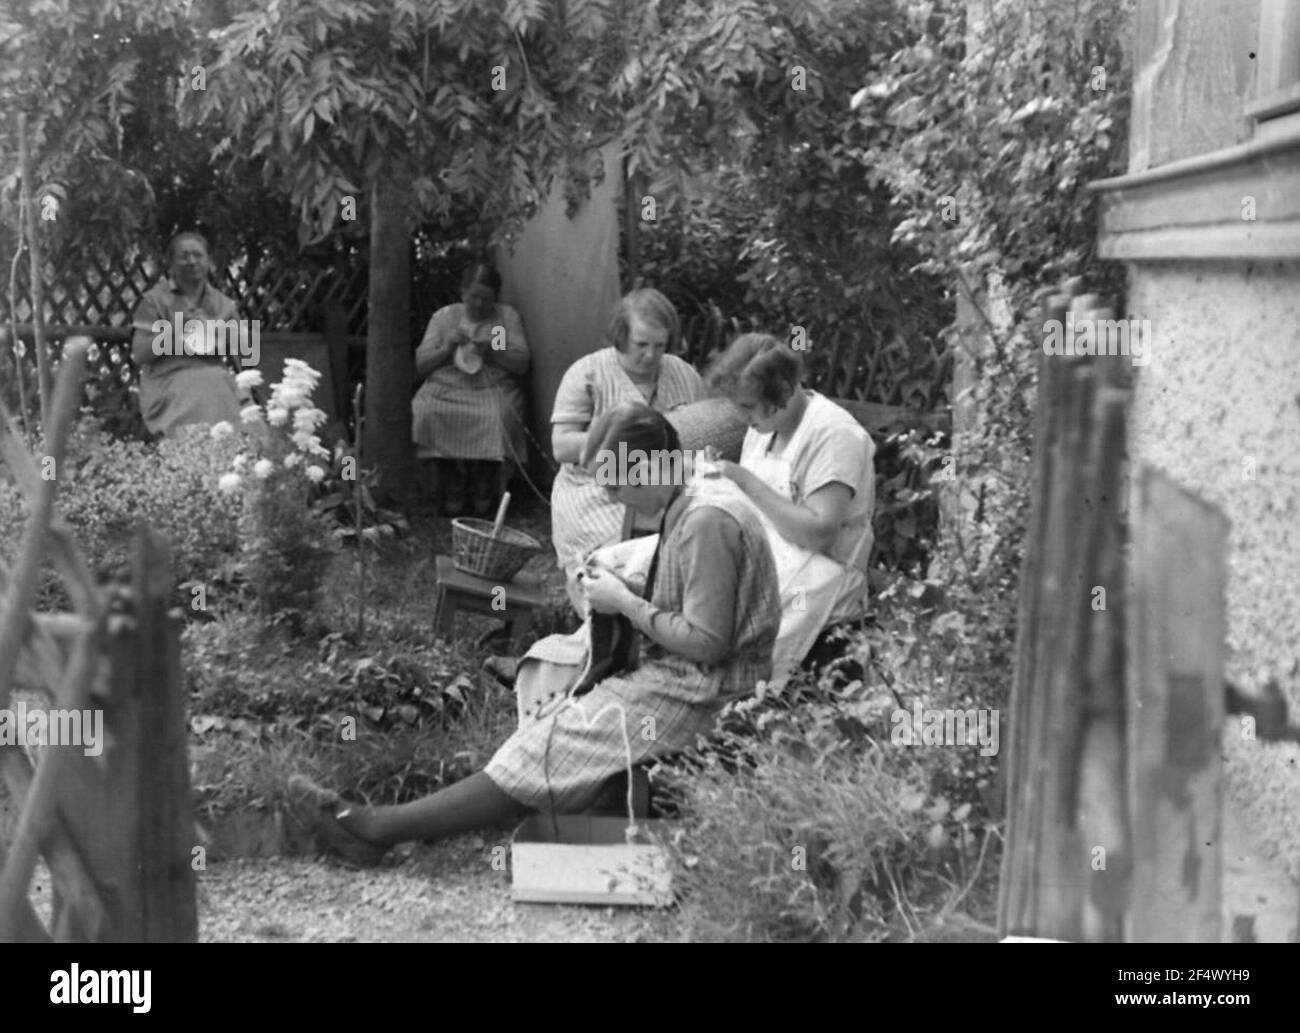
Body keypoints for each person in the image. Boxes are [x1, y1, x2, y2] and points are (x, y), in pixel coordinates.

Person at [289, 404, 781, 864]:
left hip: (710, 691)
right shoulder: (687, 493)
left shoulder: (706, 521)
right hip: (682, 671)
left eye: (614, 481)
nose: (609, 495)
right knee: (558, 700)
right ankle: (478, 807)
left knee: (553, 740)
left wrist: (625, 603)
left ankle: (378, 831)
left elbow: (708, 642)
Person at [703, 332, 877, 692]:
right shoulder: (765, 427)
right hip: (774, 557)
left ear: (781, 392)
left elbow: (819, 531)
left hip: (821, 575)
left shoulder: (833, 434)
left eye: (747, 406)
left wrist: (744, 481)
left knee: (741, 642)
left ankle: (729, 712)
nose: (741, 415)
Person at [550, 288, 704, 612]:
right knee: (615, 555)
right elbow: (561, 445)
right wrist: (622, 446)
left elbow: (702, 430)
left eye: (660, 346)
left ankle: (665, 618)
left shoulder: (684, 374)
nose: (650, 355)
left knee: (687, 541)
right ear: (621, 337)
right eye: (641, 345)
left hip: (666, 485)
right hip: (597, 487)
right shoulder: (587, 373)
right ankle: (601, 620)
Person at [412, 262, 530, 517]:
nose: (478, 304)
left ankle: (485, 477)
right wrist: (446, 348)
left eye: (486, 299)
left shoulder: (502, 319)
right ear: (463, 292)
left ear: (495, 298)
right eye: (473, 297)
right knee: (425, 410)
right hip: (448, 385)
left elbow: (520, 364)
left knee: (495, 416)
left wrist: (492, 350)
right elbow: (421, 364)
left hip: (491, 386)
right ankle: (449, 473)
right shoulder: (445, 317)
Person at [130, 231, 244, 437]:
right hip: (168, 382)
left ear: (209, 261)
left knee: (249, 417)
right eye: (184, 256)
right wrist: (179, 332)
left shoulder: (224, 304)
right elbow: (140, 354)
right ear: (171, 263)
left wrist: (222, 336)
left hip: (217, 379)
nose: (192, 261)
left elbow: (245, 351)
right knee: (202, 386)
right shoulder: (154, 301)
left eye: (198, 255)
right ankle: (192, 460)